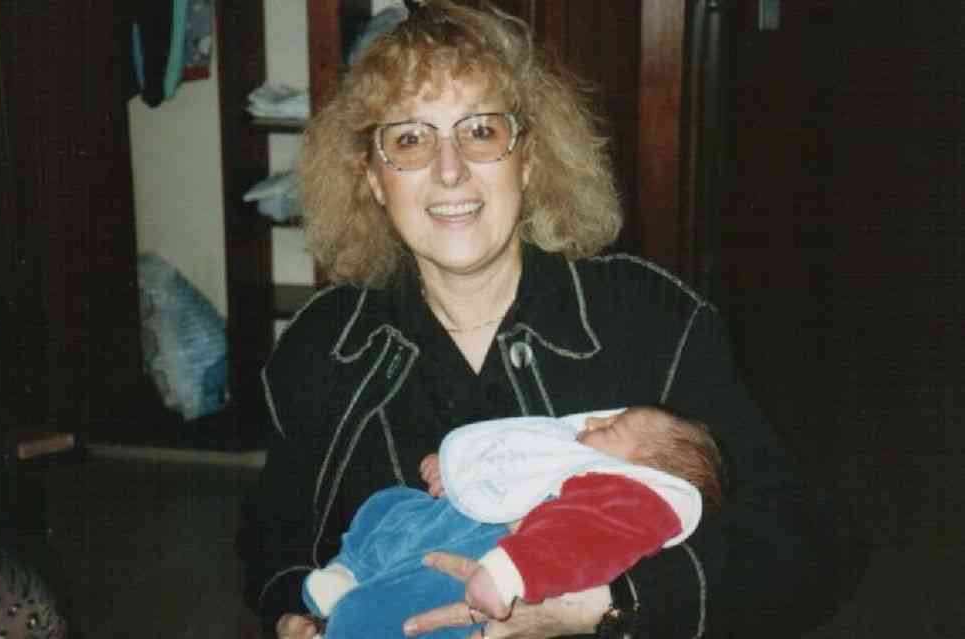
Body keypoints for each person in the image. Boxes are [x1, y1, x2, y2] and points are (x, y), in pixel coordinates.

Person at [236, 1, 835, 638]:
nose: (449, 170)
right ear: (374, 179)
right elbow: (275, 536)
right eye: (410, 139)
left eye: (481, 131)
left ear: (528, 158)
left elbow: (797, 544)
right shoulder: (321, 346)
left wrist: (610, 605)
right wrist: (292, 613)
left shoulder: (652, 321)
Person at [300, 407, 723, 638]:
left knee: (374, 614)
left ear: (644, 468)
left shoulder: (625, 498)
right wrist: (456, 471)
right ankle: (347, 572)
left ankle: (346, 618)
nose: (595, 420)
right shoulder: (569, 456)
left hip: (480, 565)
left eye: (613, 429)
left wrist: (508, 572)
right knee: (390, 502)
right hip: (436, 522)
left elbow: (571, 541)